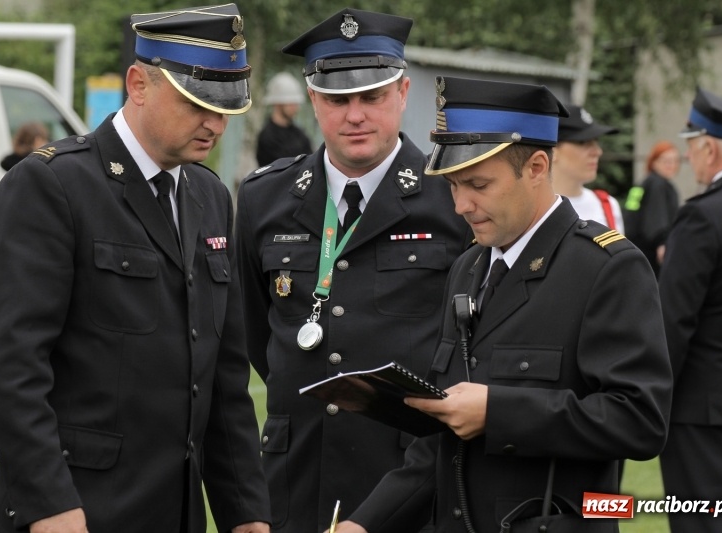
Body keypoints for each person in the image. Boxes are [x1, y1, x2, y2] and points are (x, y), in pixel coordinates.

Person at [0, 5, 270, 533]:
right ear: (138, 83)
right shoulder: (53, 187)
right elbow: (9, 367)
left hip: (174, 513)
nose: (215, 124)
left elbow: (223, 381)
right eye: (197, 103)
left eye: (225, 107)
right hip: (74, 511)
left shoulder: (210, 196)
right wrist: (50, 506)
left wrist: (246, 513)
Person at [334, 76, 672, 533]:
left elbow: (640, 420)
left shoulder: (607, 268)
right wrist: (365, 524)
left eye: (478, 184)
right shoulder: (469, 267)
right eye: (453, 185)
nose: (461, 205)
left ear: (535, 167)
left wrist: (499, 413)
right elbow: (441, 439)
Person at [235, 8, 472, 533]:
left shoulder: (452, 198)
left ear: (404, 93)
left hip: (408, 477)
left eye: (373, 96)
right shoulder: (263, 198)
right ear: (313, 100)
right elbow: (255, 336)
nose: (356, 115)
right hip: (297, 478)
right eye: (338, 99)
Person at [658, 87, 722, 533]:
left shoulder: (702, 216)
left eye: (692, 149)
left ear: (708, 146)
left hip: (702, 408)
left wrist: (649, 397)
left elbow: (673, 320)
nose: (691, 160)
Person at [552, 104, 625, 232]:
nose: (597, 151)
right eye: (583, 142)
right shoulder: (531, 209)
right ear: (553, 151)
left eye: (596, 141)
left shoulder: (607, 205)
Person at [624, 140, 681, 276]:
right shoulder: (658, 184)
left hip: (632, 247)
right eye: (666, 161)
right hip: (651, 252)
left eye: (674, 161)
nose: (671, 165)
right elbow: (656, 216)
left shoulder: (642, 184)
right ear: (654, 162)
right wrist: (661, 242)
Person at [255, 71, 313, 167]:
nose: (296, 108)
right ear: (278, 103)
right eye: (291, 103)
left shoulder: (299, 134)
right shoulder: (267, 137)